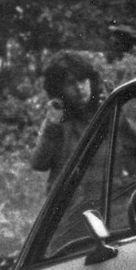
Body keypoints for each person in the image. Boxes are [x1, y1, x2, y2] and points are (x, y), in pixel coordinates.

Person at [29, 52, 105, 189]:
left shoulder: (108, 113)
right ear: (59, 89)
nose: (79, 88)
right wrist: (52, 125)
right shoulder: (58, 121)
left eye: (82, 80)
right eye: (71, 83)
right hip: (70, 205)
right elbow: (38, 164)